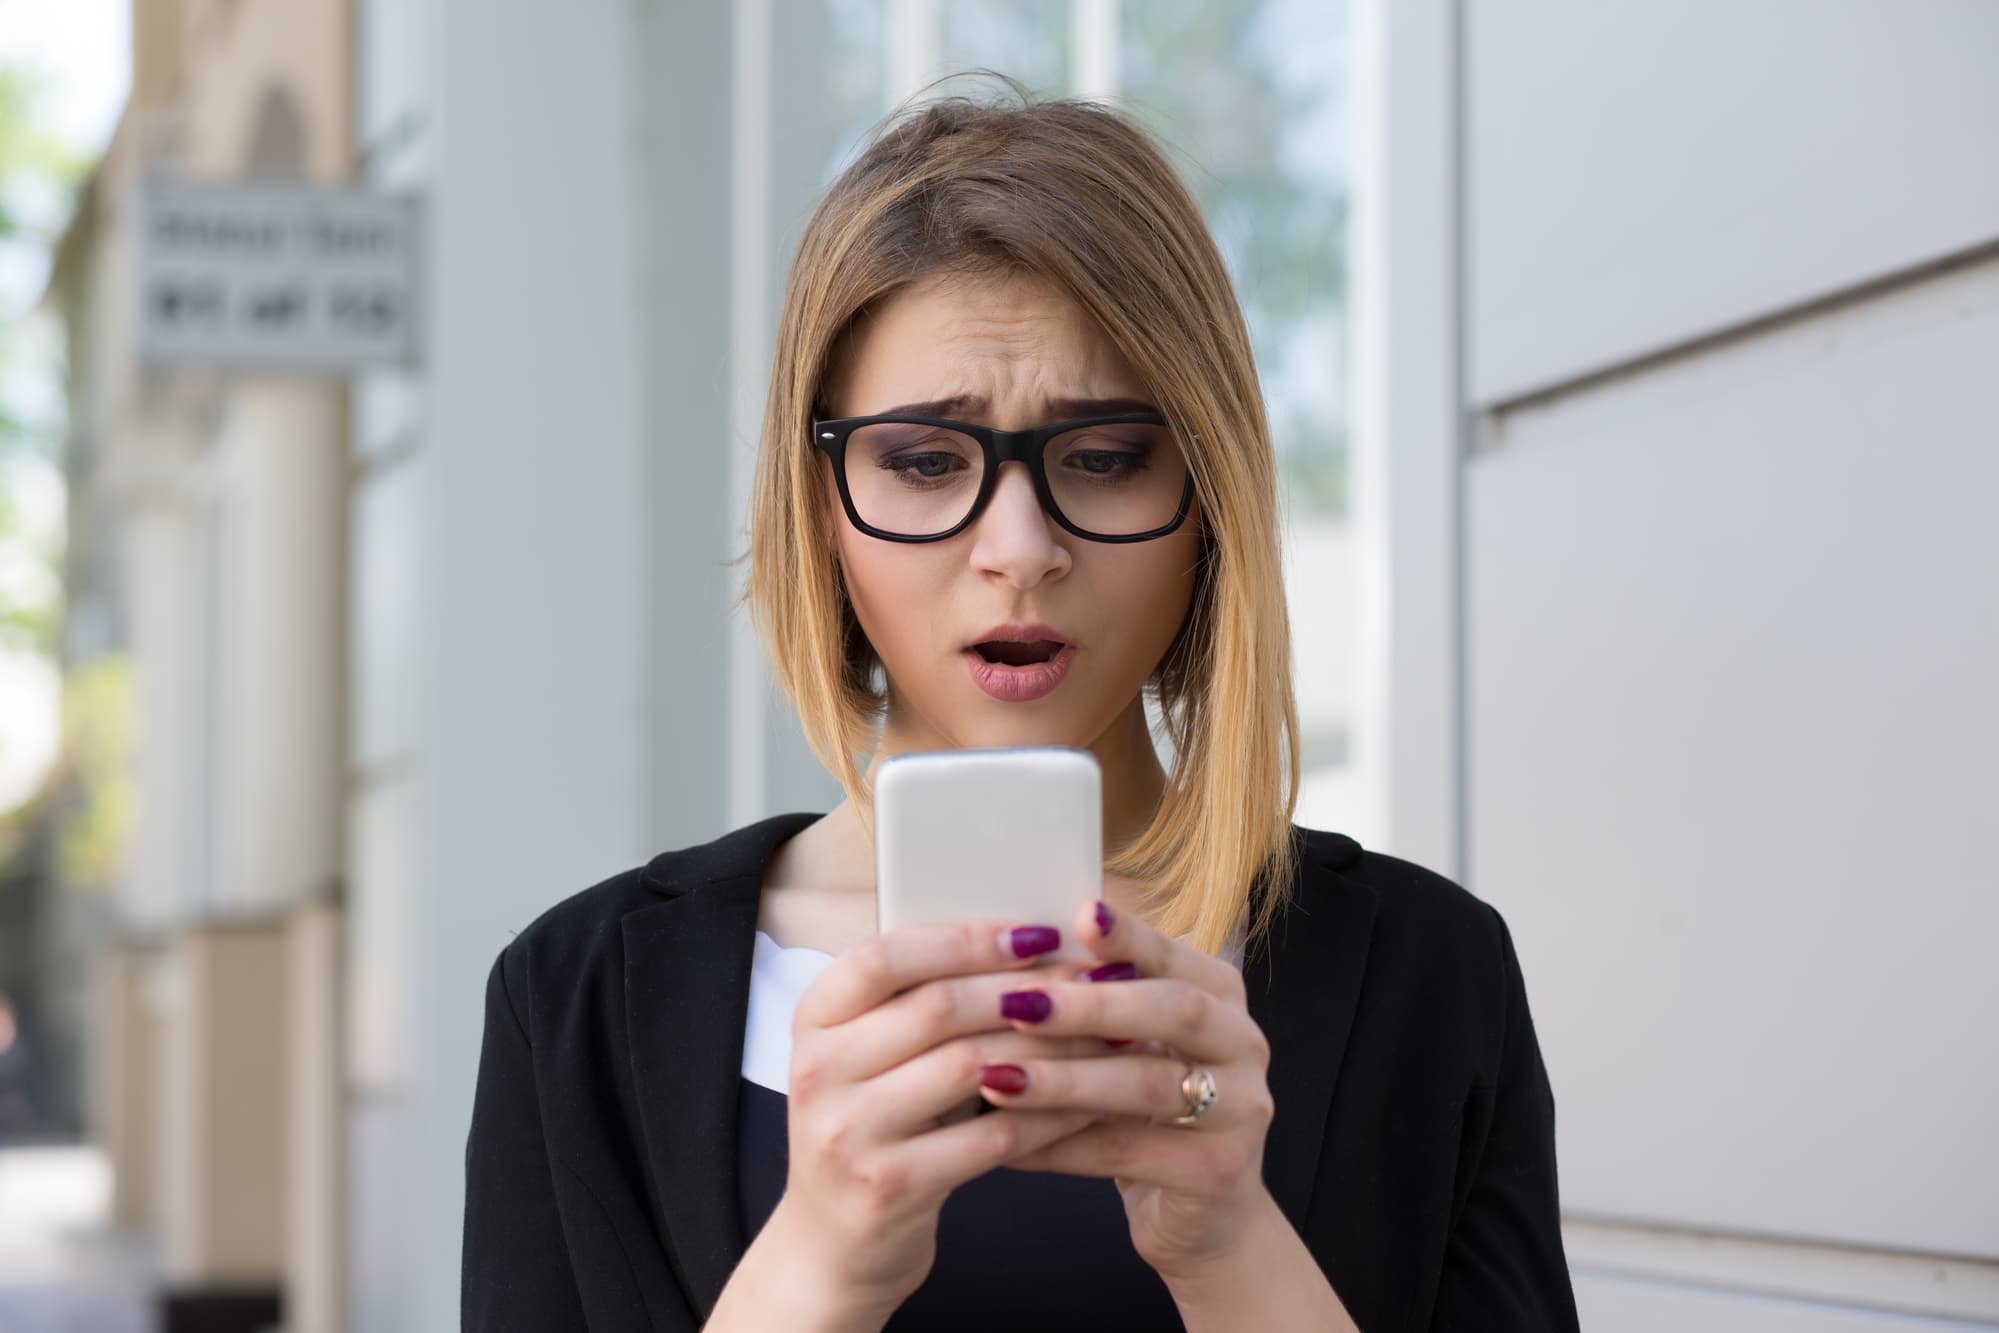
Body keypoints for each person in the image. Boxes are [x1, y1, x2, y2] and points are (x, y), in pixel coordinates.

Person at [463, 81, 1579, 1332]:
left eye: (1103, 457)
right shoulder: (575, 997)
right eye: (925, 461)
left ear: (1209, 493)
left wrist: (1229, 1244)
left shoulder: (1433, 975)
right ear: (818, 502)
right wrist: (820, 1256)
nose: (1019, 546)